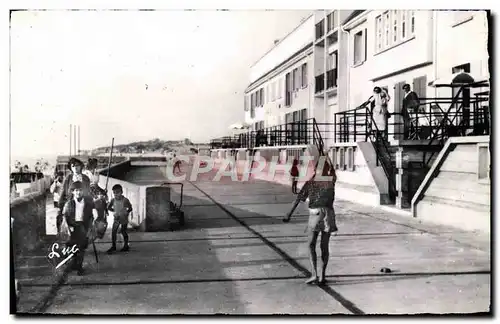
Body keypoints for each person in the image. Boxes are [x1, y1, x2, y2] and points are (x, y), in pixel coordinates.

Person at [283, 161, 337, 285]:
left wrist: (289, 214)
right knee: (324, 246)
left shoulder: (310, 183)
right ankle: (322, 276)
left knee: (311, 245)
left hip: (316, 214)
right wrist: (328, 159)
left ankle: (314, 274)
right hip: (329, 214)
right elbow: (333, 172)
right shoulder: (331, 181)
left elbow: (298, 199)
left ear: (315, 170)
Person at [62, 181, 97, 276]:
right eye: (76, 190)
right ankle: (74, 264)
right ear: (73, 192)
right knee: (71, 247)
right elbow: (65, 216)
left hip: (82, 226)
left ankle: (79, 267)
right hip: (72, 227)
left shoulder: (88, 203)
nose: (78, 192)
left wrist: (91, 225)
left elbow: (92, 216)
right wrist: (68, 227)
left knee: (81, 247)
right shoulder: (69, 203)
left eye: (80, 190)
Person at [58, 158, 91, 233]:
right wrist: (60, 206)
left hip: (83, 204)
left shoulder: (86, 178)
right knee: (71, 226)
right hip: (71, 204)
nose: (75, 168)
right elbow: (63, 192)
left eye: (77, 165)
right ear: (71, 168)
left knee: (83, 225)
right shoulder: (68, 178)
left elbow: (88, 192)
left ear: (81, 166)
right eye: (73, 166)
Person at [107, 184, 133, 254]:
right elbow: (108, 207)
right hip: (116, 218)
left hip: (124, 218)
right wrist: (114, 211)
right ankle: (113, 246)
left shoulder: (125, 200)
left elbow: (130, 208)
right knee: (113, 232)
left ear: (121, 192)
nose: (116, 194)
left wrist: (126, 212)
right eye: (114, 193)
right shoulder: (113, 200)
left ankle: (126, 245)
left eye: (117, 192)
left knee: (123, 231)